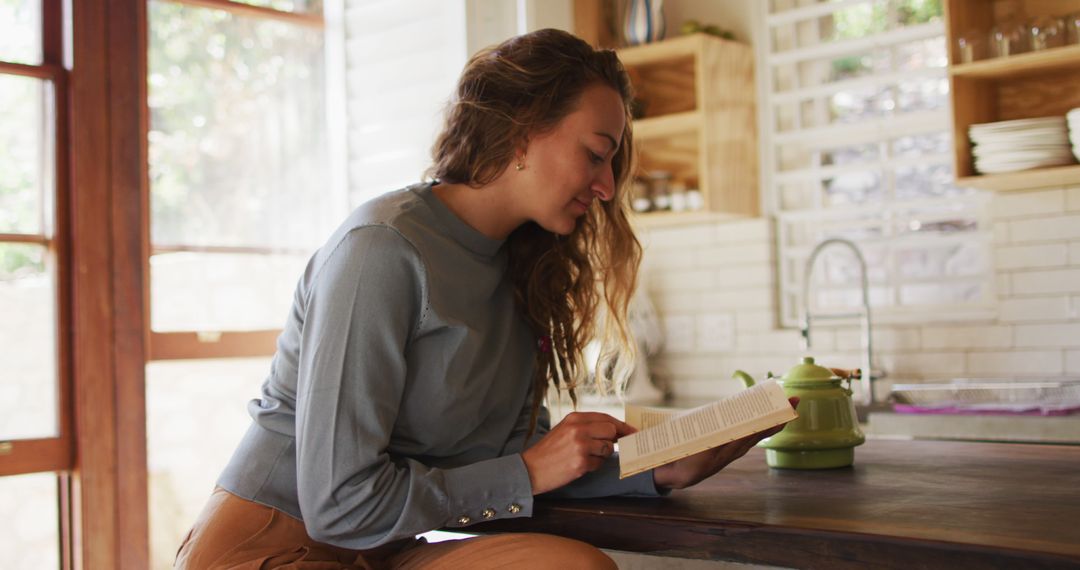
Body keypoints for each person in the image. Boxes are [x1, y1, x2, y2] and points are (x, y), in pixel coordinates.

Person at [175, 28, 795, 570]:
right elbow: (340, 505)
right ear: (522, 132)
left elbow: (509, 463)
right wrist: (528, 470)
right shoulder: (381, 250)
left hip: (383, 546)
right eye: (595, 155)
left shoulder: (520, 272)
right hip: (271, 548)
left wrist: (653, 469)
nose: (606, 188)